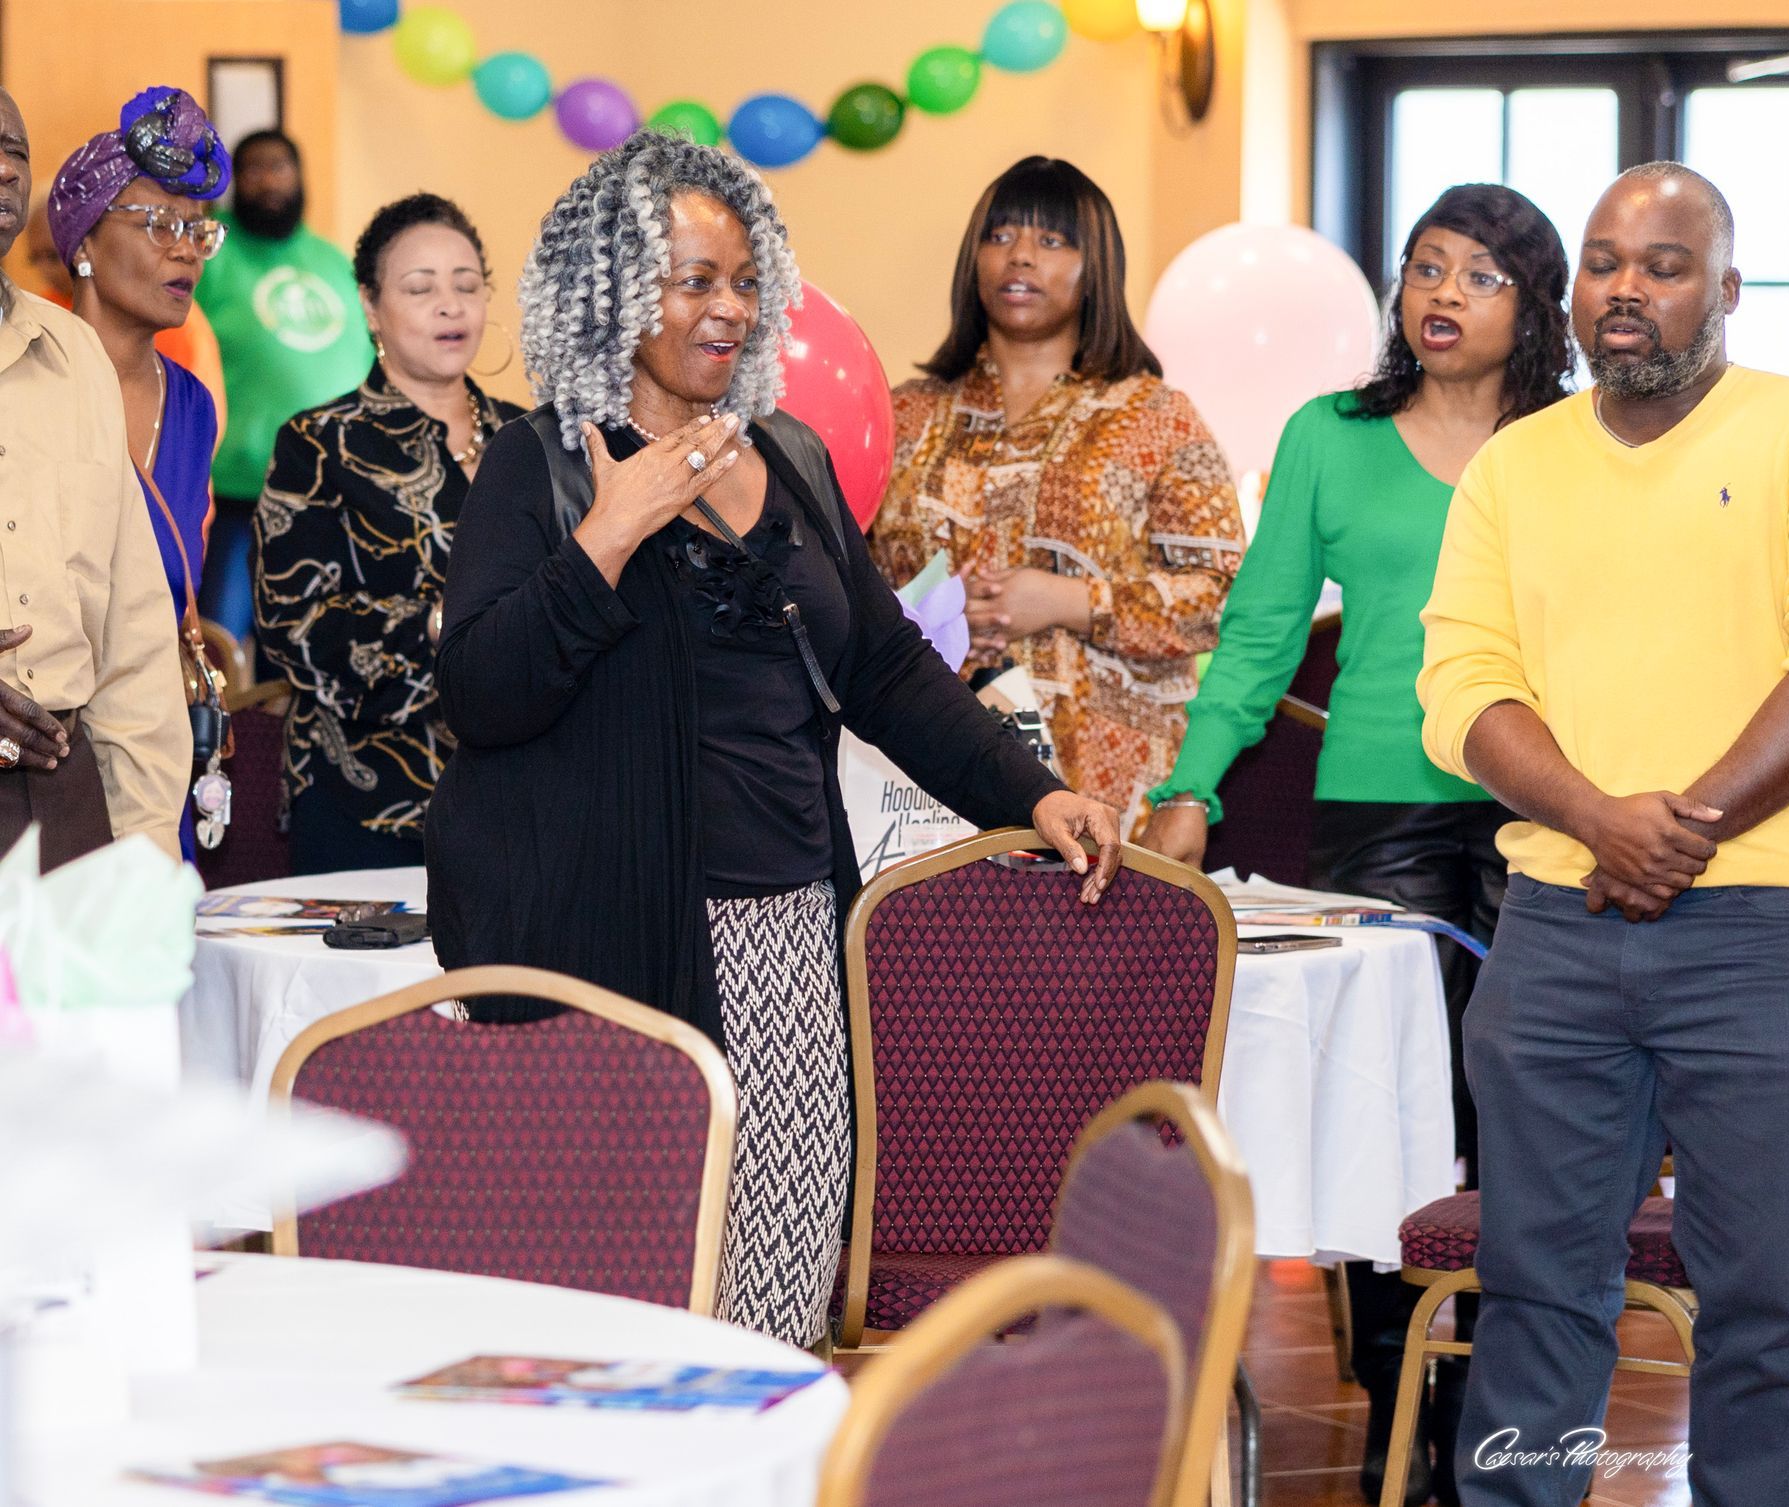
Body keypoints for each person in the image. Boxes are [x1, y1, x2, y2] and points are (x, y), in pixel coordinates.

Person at [426, 131, 1122, 1351]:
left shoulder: (788, 456)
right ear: (617, 288)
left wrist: (1033, 793)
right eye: (695, 280)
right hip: (614, 934)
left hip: (790, 924)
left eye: (745, 280)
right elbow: (482, 694)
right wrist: (611, 537)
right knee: (634, 1304)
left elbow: (885, 668)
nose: (732, 309)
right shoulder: (543, 466)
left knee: (779, 1286)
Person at [1419, 162, 1789, 1506]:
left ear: (1728, 290)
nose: (1626, 288)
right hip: (1555, 927)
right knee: (1535, 1285)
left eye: (1664, 263)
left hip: (1767, 927)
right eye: (1603, 261)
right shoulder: (1517, 464)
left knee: (1762, 1291)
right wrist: (1596, 817)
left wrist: (1679, 828)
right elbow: (1459, 683)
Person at [1142, 183, 1574, 1506]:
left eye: (1479, 277)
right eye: (1425, 268)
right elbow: (1261, 635)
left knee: (1537, 1129)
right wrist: (1192, 786)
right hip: (1381, 814)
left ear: (1532, 309)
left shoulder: (1581, 448)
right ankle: (1403, 1418)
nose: (1441, 294)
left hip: (1551, 810)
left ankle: (1510, 1421)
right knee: (1394, 1119)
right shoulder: (1330, 436)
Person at [868, 156, 1244, 837]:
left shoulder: (1155, 417)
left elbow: (1223, 596)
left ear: (1095, 264)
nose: (1020, 257)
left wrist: (1072, 601)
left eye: (1052, 241)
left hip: (1110, 788)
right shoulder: (903, 415)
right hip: (918, 782)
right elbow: (842, 583)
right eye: (1001, 235)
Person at [253, 194, 521, 875]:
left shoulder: (532, 440)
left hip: (524, 797)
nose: (449, 305)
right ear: (371, 308)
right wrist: (445, 624)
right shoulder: (320, 443)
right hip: (367, 802)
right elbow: (294, 622)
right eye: (420, 287)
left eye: (466, 285)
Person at [0, 86, 189, 866]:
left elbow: (136, 637)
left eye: (14, 154)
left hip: (64, 796)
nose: (5, 172)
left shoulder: (74, 356)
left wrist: (146, 853)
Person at [47, 86, 229, 860]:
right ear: (84, 240)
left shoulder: (191, 403)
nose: (183, 249)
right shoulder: (26, 380)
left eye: (196, 230)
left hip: (156, 741)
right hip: (45, 746)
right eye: (157, 224)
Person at [196, 128, 372, 641]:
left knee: (309, 647)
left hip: (328, 494)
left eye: (280, 166)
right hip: (235, 493)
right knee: (217, 645)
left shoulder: (333, 260)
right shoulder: (213, 253)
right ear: (234, 180)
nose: (268, 179)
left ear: (300, 177)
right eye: (253, 167)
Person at [24, 189, 228, 438]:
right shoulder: (38, 315)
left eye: (54, 256)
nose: (50, 270)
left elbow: (190, 438)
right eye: (38, 259)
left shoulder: (170, 322)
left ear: (87, 244)